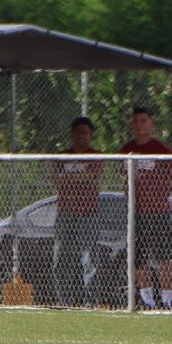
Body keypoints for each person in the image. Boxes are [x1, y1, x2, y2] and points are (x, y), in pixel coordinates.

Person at [119, 106, 172, 309]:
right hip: (136, 211)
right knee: (137, 256)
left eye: (143, 120)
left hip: (157, 210)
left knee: (163, 257)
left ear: (152, 124)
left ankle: (167, 297)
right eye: (135, 121)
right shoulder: (127, 149)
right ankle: (146, 297)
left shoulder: (161, 149)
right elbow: (124, 176)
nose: (139, 125)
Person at [49, 116, 103, 307]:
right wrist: (79, 177)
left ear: (91, 135)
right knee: (62, 258)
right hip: (66, 213)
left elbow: (92, 175)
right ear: (72, 135)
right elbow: (57, 180)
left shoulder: (95, 155)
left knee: (90, 260)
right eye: (78, 132)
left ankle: (91, 302)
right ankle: (64, 301)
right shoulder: (62, 156)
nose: (81, 136)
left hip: (89, 213)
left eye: (85, 133)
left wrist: (69, 178)